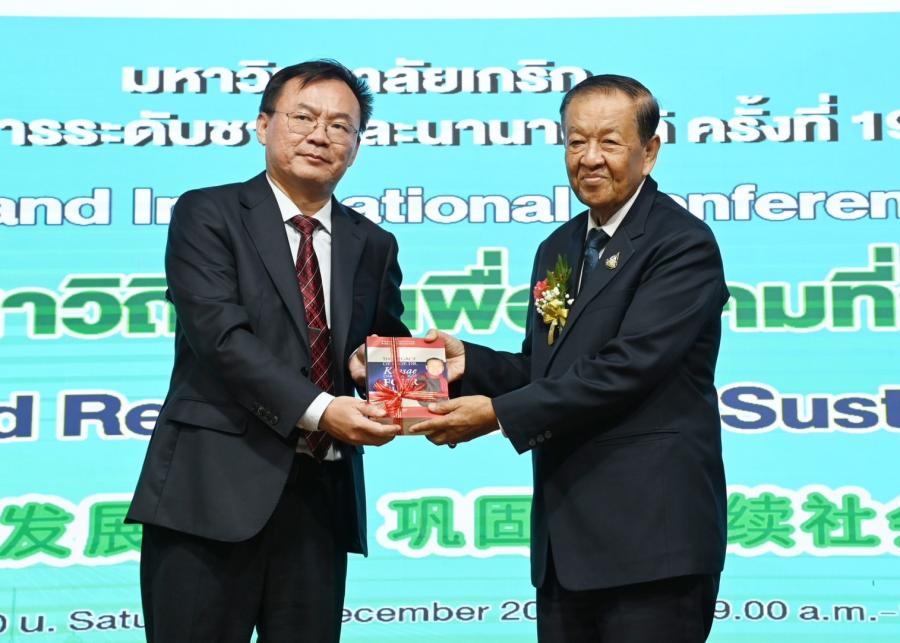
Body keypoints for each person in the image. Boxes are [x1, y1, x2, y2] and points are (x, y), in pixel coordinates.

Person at [411, 74, 729, 642]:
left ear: (650, 151)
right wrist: (466, 364)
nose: (589, 157)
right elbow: (546, 368)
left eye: (609, 141)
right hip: (567, 544)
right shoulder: (558, 246)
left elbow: (625, 369)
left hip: (652, 543)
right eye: (575, 141)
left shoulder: (682, 243)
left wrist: (498, 415)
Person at [127, 59, 409, 643]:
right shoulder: (208, 214)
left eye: (340, 126)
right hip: (209, 493)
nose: (320, 136)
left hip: (319, 501)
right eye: (303, 117)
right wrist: (323, 410)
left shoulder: (373, 242)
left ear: (356, 147)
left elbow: (380, 346)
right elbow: (220, 339)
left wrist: (408, 374)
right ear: (263, 125)